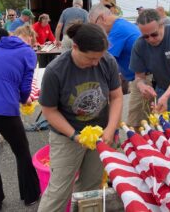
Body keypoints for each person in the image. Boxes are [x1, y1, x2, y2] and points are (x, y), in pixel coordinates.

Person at [37, 23, 123, 212]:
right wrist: (74, 136)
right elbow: (49, 110)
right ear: (75, 47)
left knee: (91, 186)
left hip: (100, 133)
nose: (95, 63)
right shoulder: (56, 71)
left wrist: (110, 128)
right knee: (59, 190)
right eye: (91, 58)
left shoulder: (107, 61)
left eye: (99, 58)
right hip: (66, 135)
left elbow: (116, 97)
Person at [0, 25, 40, 211]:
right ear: (29, 39)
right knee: (22, 151)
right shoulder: (28, 52)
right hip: (4, 108)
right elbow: (25, 90)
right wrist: (25, 100)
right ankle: (30, 195)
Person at [89, 3, 152, 130]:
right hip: (141, 76)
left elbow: (103, 58)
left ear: (101, 18)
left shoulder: (117, 31)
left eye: (94, 25)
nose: (95, 30)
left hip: (143, 78)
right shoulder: (120, 24)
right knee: (142, 120)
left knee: (136, 122)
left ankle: (139, 147)